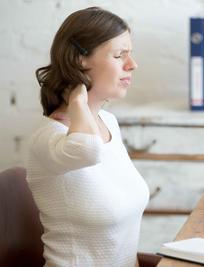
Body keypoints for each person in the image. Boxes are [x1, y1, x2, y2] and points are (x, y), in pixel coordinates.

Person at [25, 7, 151, 267]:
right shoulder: (48, 140)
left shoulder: (109, 123)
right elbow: (87, 150)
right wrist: (77, 102)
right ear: (80, 60)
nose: (133, 65)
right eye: (119, 55)